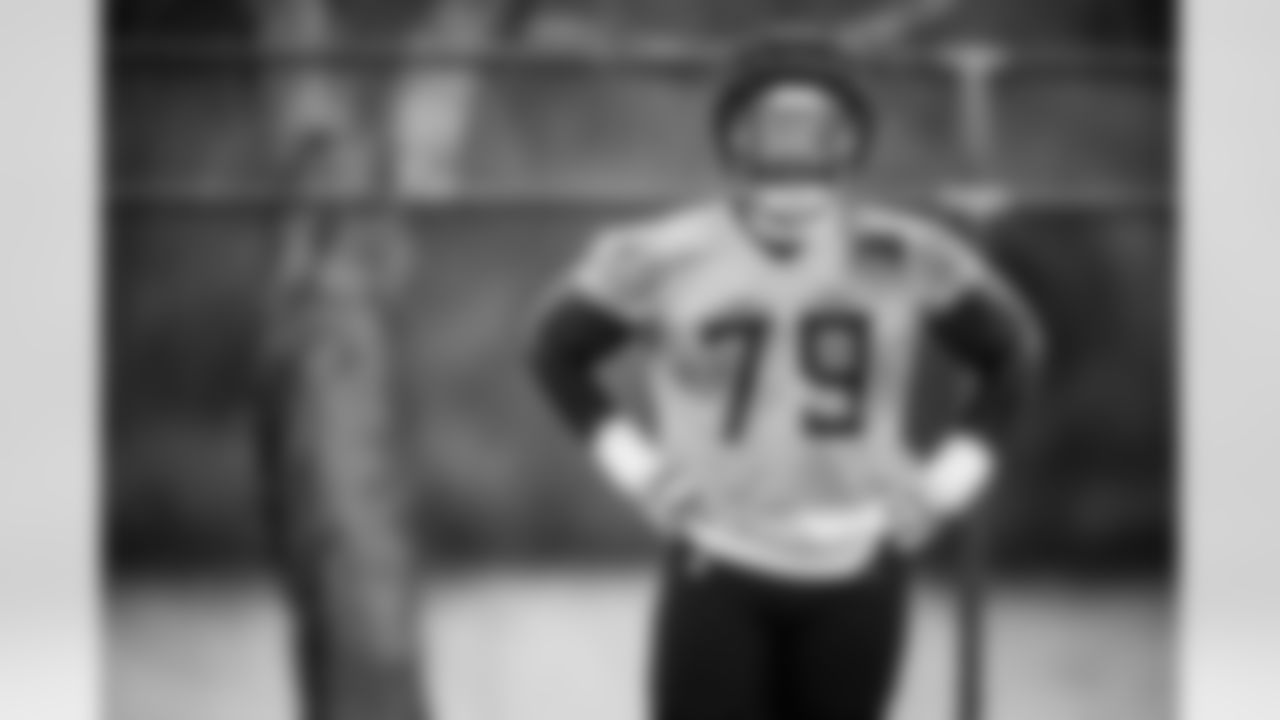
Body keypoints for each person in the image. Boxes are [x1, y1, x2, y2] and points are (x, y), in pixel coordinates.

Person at [528, 34, 1043, 720]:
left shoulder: (900, 251)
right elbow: (553, 350)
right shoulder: (668, 254)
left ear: (850, 144)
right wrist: (642, 472)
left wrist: (945, 486)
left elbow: (1013, 353)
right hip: (720, 554)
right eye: (773, 130)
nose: (793, 150)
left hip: (858, 561)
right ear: (734, 143)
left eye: (815, 132)